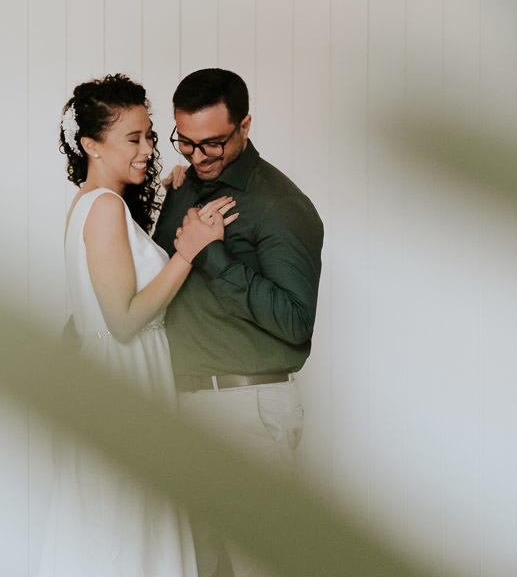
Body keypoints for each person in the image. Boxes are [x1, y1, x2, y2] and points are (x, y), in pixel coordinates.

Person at [40, 74, 237, 577]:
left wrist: (174, 197)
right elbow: (125, 320)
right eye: (135, 138)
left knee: (125, 535)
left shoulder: (100, 204)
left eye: (150, 135)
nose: (149, 147)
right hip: (125, 386)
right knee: (127, 539)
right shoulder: (103, 208)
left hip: (125, 380)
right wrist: (188, 251)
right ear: (90, 145)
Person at [153, 68, 325, 577]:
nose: (199, 156)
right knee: (202, 567)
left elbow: (297, 323)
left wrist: (215, 257)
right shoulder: (184, 186)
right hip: (183, 404)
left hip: (248, 408)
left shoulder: (280, 206)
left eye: (213, 144)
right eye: (186, 143)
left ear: (244, 126)